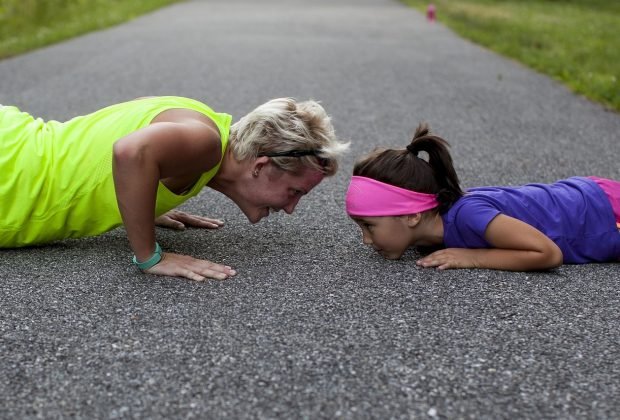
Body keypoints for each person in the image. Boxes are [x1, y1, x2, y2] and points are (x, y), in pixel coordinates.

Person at [1, 96, 349, 280]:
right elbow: (130, 151)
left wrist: (142, 199)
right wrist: (150, 256)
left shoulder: (204, 126)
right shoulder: (205, 142)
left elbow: (114, 143)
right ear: (261, 166)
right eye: (295, 192)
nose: (291, 208)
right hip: (11, 176)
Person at [345, 123, 620, 271]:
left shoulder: (468, 215)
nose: (366, 240)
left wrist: (473, 257)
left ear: (412, 215)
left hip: (606, 212)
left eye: (369, 226)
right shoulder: (433, 230)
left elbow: (547, 253)